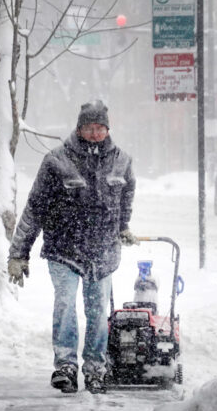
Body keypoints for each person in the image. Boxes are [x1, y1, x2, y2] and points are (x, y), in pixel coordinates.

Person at [7, 99, 138, 394]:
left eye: (100, 128)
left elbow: (126, 196)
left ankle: (96, 368)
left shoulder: (122, 161)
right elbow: (35, 208)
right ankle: (66, 366)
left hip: (103, 251)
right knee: (66, 305)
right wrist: (18, 253)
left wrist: (123, 226)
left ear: (107, 129)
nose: (95, 133)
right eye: (90, 128)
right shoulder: (57, 161)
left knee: (96, 312)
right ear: (79, 128)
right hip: (64, 249)